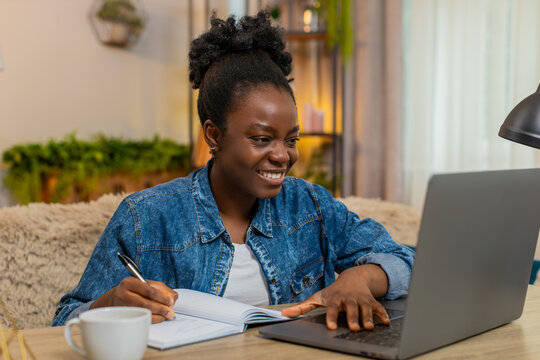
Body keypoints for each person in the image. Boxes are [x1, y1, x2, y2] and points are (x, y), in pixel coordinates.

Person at [52, 11, 414, 332]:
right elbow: (63, 322)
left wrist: (360, 279)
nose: (283, 156)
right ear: (214, 135)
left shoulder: (311, 205)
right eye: (261, 139)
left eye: (291, 139)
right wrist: (111, 305)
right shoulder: (146, 217)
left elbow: (404, 259)